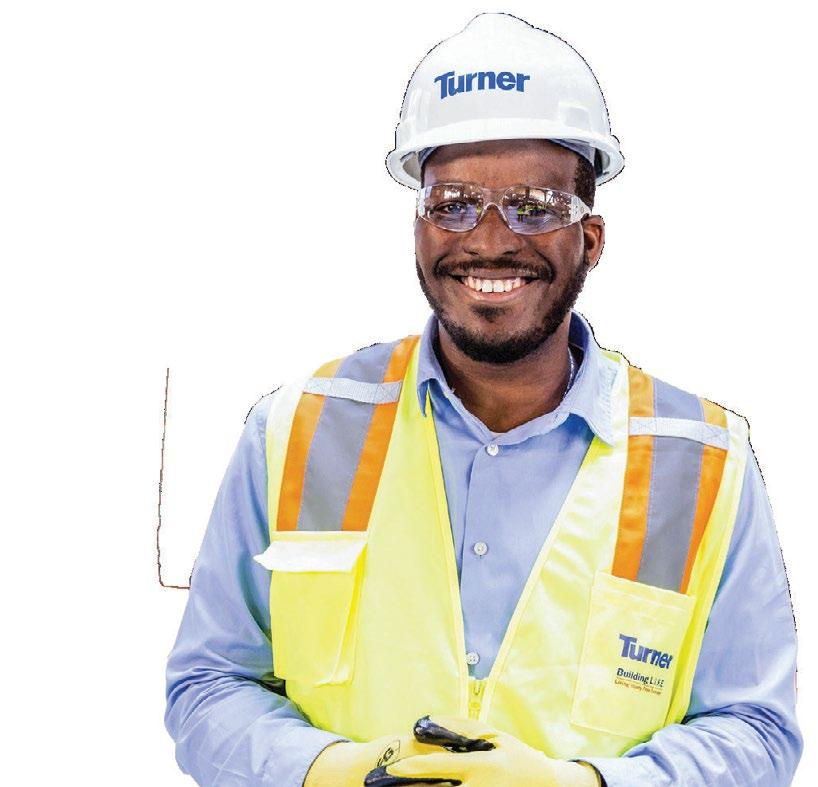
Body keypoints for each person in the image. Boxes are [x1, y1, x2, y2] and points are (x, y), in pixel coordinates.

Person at [164, 12, 803, 786]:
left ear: (591, 240)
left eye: (535, 205)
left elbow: (756, 729)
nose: (490, 239)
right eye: (454, 202)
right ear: (419, 227)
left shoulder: (700, 460)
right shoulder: (296, 430)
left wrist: (579, 785)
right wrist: (331, 770)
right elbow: (208, 684)